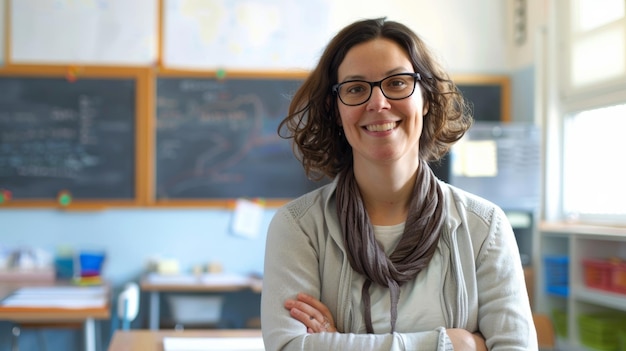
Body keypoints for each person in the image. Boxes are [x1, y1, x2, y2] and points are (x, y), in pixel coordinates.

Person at [261, 17, 537, 351]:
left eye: (397, 83)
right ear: (335, 111)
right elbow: (288, 347)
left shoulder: (484, 227)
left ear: (426, 98)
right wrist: (454, 344)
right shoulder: (298, 227)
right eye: (356, 89)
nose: (377, 103)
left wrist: (339, 343)